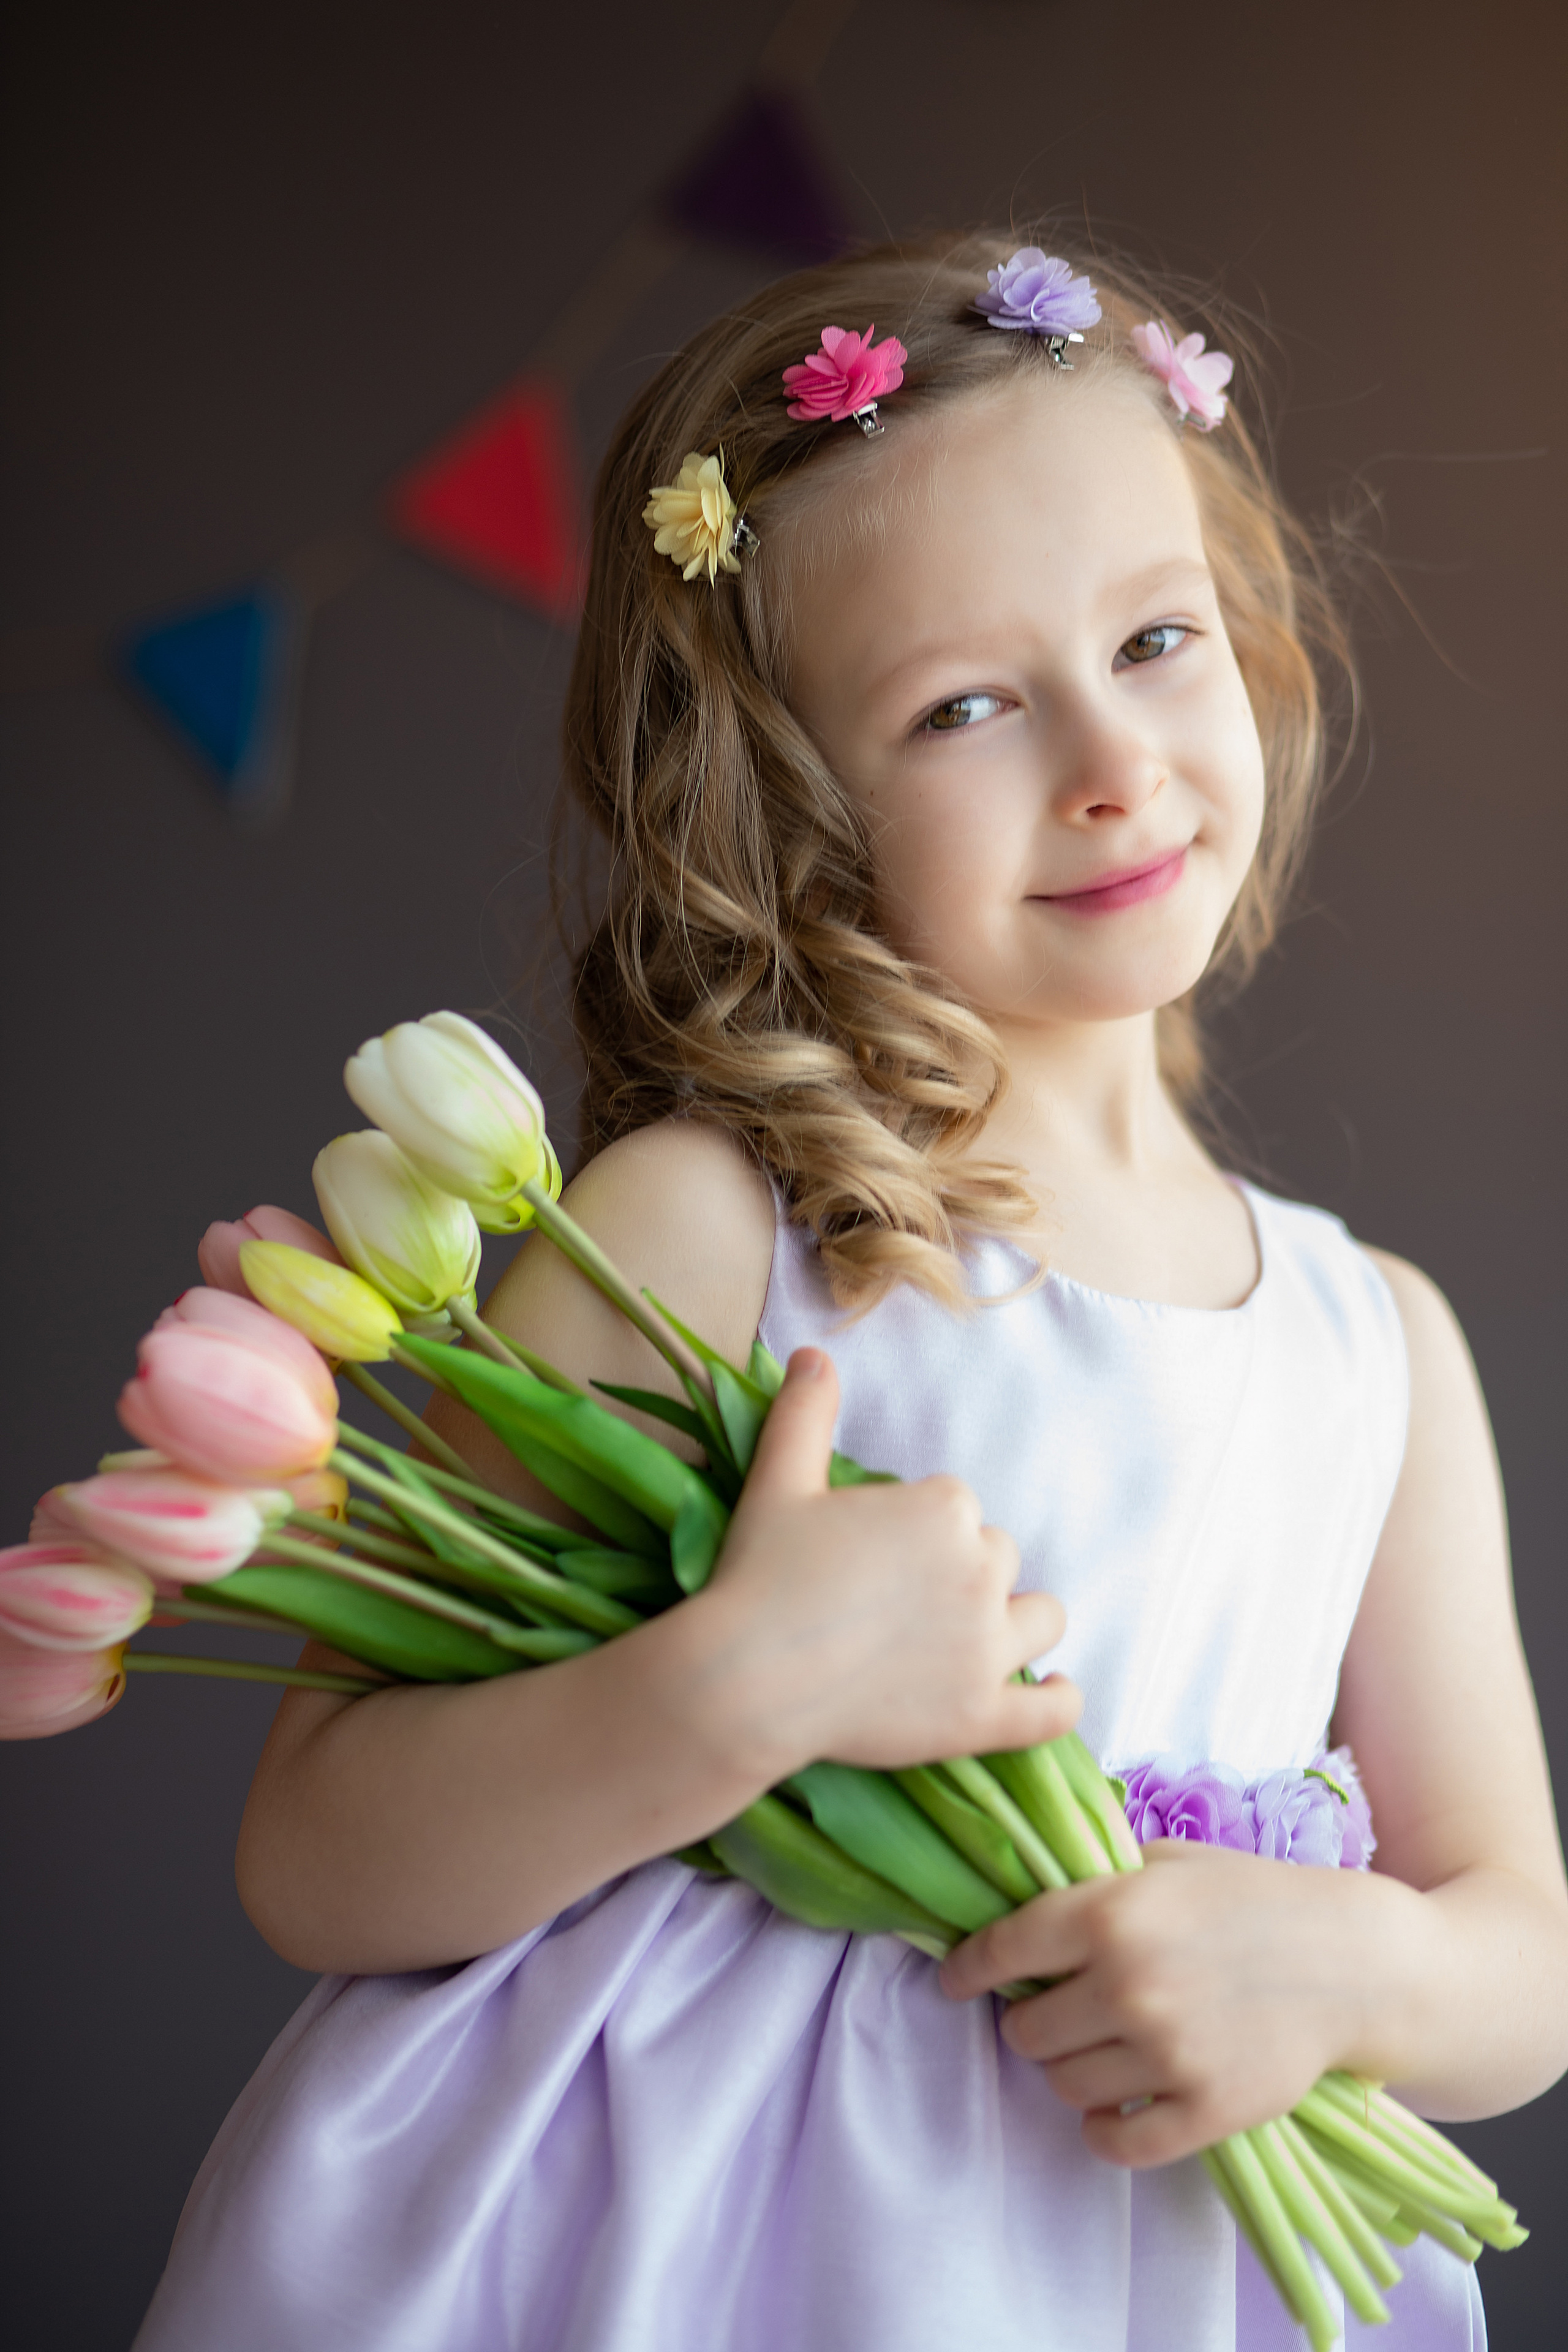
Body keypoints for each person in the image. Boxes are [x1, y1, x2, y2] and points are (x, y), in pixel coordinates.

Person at [134, 231, 1568, 2351]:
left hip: (1161, 2265)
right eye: (966, 705)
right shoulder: (718, 1230)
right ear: (793, 809)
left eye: (1156, 639)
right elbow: (323, 1855)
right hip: (694, 2261)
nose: (1109, 758)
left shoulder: (1378, 1355)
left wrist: (1339, 1973)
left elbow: (1518, 1957)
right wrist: (735, 1695)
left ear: (1252, 648)